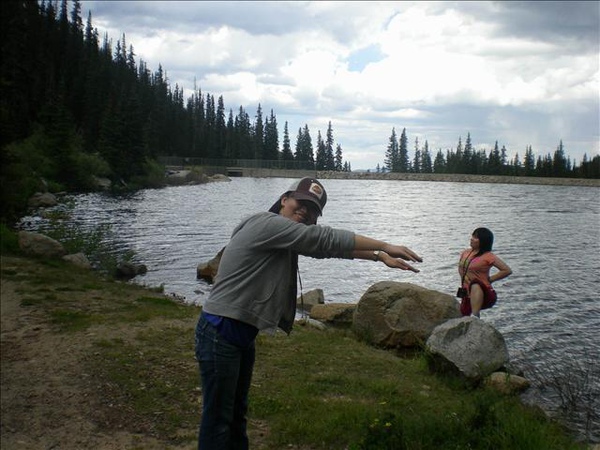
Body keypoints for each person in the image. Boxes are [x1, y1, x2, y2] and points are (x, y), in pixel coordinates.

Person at [194, 177, 422, 449]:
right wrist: (384, 245)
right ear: (284, 200)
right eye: (300, 203)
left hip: (239, 334)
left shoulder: (284, 235)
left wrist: (376, 256)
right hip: (221, 331)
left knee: (235, 415)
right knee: (219, 420)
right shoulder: (266, 224)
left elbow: (323, 248)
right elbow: (321, 238)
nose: (305, 211)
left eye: (312, 209)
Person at [457, 227, 512, 317]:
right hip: (466, 293)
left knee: (475, 284)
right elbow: (460, 268)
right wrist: (465, 279)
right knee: (463, 316)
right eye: (472, 236)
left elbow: (506, 270)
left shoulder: (488, 256)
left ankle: (475, 316)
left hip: (484, 291)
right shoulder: (465, 253)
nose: (471, 239)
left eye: (475, 237)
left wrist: (490, 279)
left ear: (483, 241)